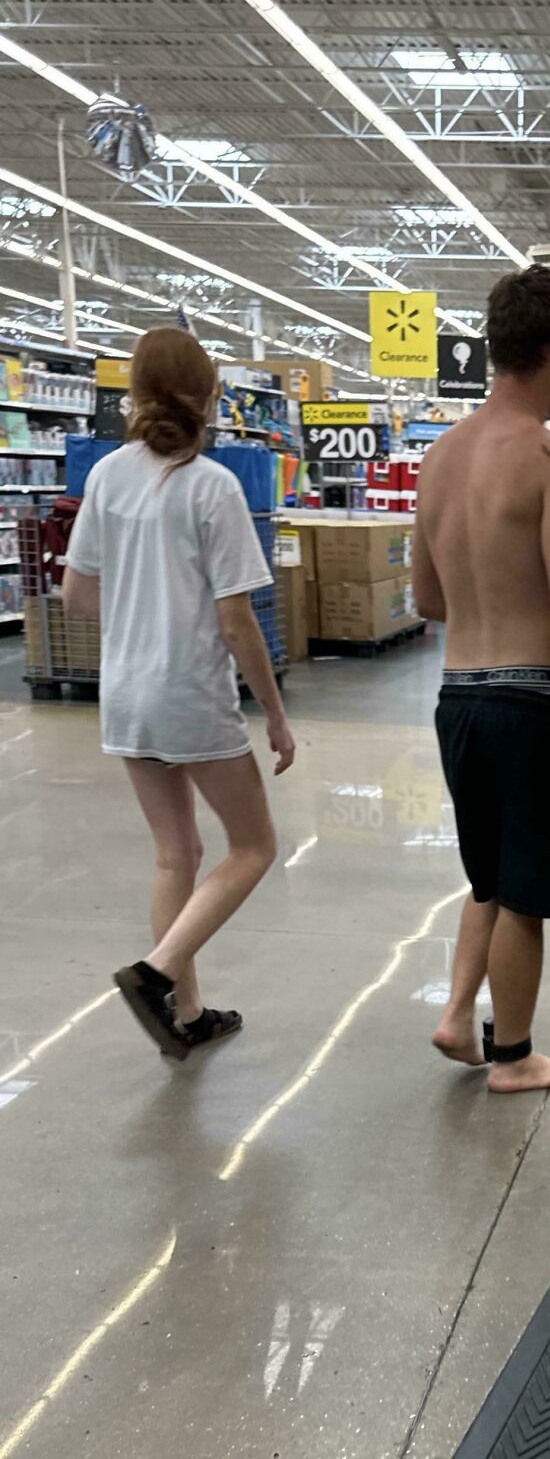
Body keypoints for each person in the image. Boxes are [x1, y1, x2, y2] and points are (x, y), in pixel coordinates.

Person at [414, 265, 550, 1095]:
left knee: (491, 875)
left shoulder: (439, 457)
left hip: (457, 701)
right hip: (527, 699)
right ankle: (514, 1056)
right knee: (526, 895)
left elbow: (426, 597)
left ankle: (460, 1019)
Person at [63, 327, 295, 1061]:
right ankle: (158, 975)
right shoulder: (213, 487)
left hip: (125, 691)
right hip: (189, 693)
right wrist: (278, 717)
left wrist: (141, 612)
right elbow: (236, 624)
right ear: (210, 395)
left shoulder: (106, 476)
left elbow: (75, 595)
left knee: (175, 853)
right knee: (254, 846)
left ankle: (185, 1016)